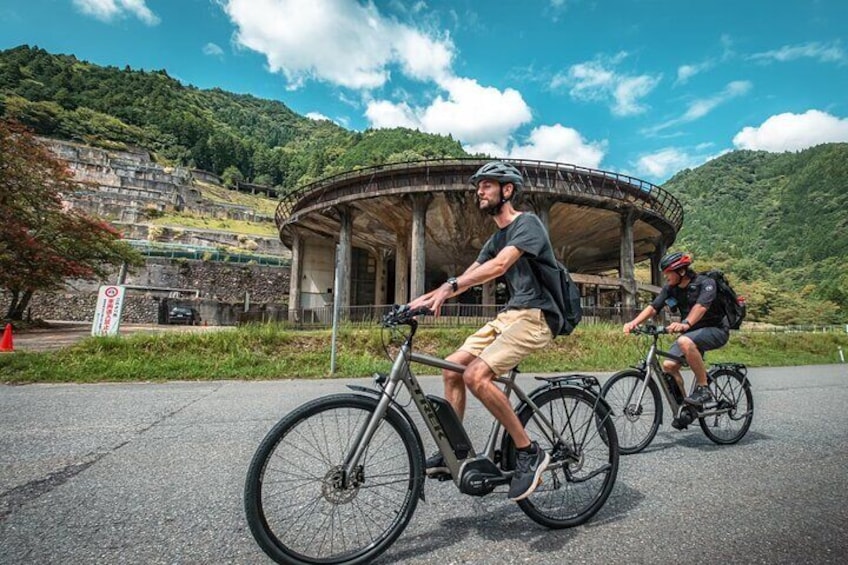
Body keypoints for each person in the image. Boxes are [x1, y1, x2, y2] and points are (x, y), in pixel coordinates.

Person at [407, 160, 564, 502]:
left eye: (487, 185)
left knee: (476, 377)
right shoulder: (495, 238)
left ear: (507, 190)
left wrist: (450, 285)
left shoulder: (528, 224)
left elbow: (499, 266)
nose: (479, 190)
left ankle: (528, 450)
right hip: (509, 316)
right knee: (452, 368)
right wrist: (414, 303)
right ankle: (457, 455)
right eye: (478, 186)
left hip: (537, 315)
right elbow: (464, 278)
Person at [623, 251, 730, 427]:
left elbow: (701, 307)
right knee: (669, 366)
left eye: (667, 273)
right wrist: (633, 323)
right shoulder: (671, 288)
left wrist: (686, 323)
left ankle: (704, 389)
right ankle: (686, 410)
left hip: (716, 330)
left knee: (684, 341)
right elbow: (653, 307)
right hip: (691, 333)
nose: (665, 276)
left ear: (681, 271)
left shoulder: (706, 283)